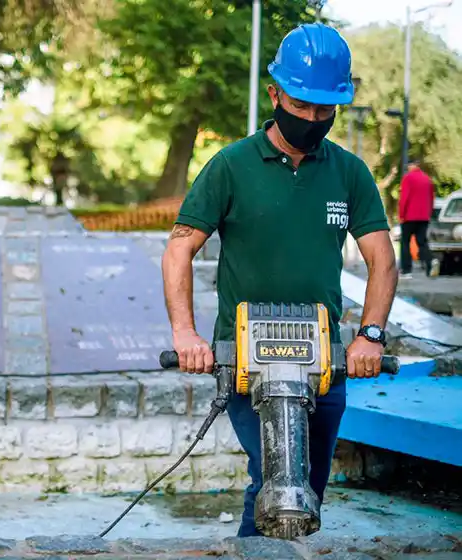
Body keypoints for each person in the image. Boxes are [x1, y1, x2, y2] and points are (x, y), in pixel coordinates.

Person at [161, 23, 398, 537]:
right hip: (248, 357)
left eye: (324, 110)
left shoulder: (350, 173)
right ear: (275, 94)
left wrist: (370, 335)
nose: (312, 119)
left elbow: (382, 258)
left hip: (323, 360)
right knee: (274, 477)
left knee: (308, 488)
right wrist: (186, 334)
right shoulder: (230, 166)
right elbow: (180, 247)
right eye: (301, 105)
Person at [398, 159, 436, 278]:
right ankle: (431, 262)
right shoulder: (427, 179)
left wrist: (401, 215)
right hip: (424, 217)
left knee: (405, 242)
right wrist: (428, 214)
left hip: (409, 216)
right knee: (422, 242)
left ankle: (406, 270)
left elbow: (404, 198)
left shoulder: (408, 178)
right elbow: (431, 198)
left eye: (408, 165)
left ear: (411, 165)